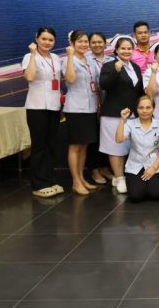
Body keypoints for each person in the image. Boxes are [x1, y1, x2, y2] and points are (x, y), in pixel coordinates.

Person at [99, 35, 144, 194]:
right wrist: (116, 71)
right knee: (115, 147)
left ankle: (123, 175)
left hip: (131, 114)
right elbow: (104, 85)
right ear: (116, 50)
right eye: (123, 48)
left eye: (129, 48)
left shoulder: (135, 67)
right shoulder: (110, 65)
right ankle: (119, 178)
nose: (126, 51)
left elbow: (138, 90)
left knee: (126, 147)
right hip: (114, 114)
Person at [22, 27, 64, 198]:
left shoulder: (56, 58)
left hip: (54, 106)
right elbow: (30, 77)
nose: (47, 42)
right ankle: (38, 184)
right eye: (44, 39)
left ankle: (50, 180)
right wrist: (33, 54)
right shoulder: (29, 57)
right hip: (36, 106)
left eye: (50, 40)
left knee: (51, 145)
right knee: (39, 145)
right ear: (36, 39)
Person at [61, 30, 100, 195]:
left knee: (84, 145)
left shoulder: (89, 60)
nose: (84, 44)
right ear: (72, 43)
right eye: (80, 41)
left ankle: (82, 178)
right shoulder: (67, 60)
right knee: (75, 146)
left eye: (85, 41)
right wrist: (70, 56)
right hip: (76, 108)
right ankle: (75, 181)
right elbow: (70, 79)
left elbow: (95, 83)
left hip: (90, 107)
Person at [115, 96, 159, 202]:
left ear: (153, 108)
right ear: (137, 109)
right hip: (135, 165)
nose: (144, 111)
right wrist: (123, 120)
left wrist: (154, 168)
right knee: (135, 197)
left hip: (155, 165)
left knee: (155, 195)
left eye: (148, 107)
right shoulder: (130, 123)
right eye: (141, 108)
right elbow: (119, 139)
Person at [86, 32, 115, 184]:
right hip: (92, 103)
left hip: (109, 103)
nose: (97, 45)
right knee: (94, 138)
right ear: (89, 44)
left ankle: (104, 167)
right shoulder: (85, 60)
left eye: (100, 42)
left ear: (105, 43)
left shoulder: (112, 60)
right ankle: (94, 169)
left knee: (107, 137)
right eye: (93, 42)